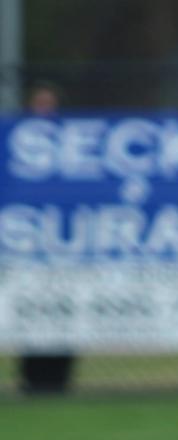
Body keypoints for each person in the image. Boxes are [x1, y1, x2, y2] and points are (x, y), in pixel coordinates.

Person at [17, 81, 78, 396]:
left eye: (49, 105)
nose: (44, 112)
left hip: (64, 251)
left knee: (64, 312)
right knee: (31, 312)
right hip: (28, 250)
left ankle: (60, 377)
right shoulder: (16, 145)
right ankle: (32, 377)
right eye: (38, 104)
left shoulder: (75, 145)